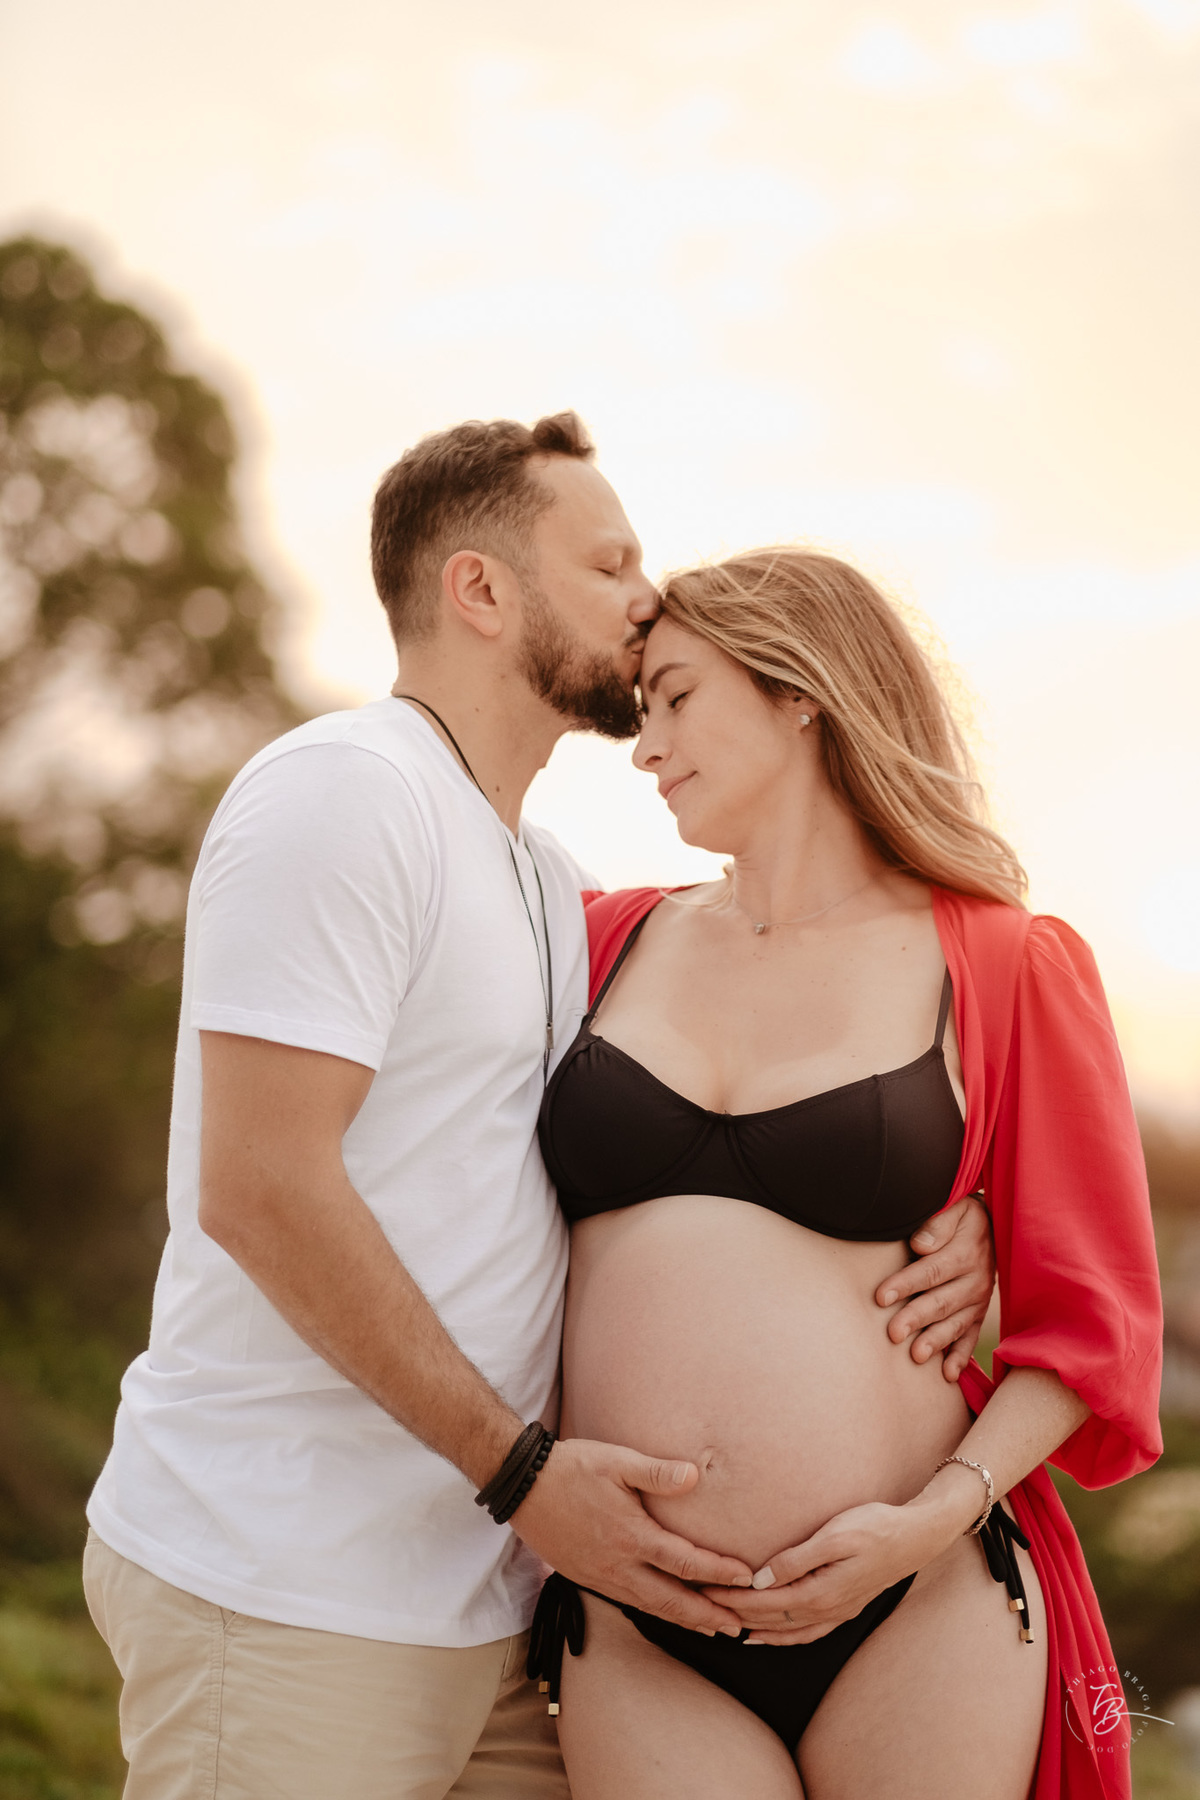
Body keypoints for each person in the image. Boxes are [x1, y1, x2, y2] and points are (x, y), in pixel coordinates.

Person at [83, 418, 997, 1800]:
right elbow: (257, 1184)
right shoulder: (347, 793)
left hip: (493, 1603)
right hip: (288, 1582)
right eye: (610, 561)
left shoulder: (548, 881)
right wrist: (521, 1472)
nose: (648, 596)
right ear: (482, 591)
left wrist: (943, 1211)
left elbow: (658, 1147)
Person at [531, 548, 1163, 1800]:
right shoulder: (593, 940)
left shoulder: (1003, 962)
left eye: (674, 697)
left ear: (799, 690)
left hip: (919, 1596)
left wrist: (921, 1527)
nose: (645, 746)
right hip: (638, 1608)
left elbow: (1092, 1330)